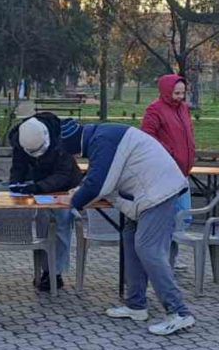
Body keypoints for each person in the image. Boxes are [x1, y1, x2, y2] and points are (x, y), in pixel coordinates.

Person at [59, 118, 194, 336]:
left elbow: (98, 185)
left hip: (158, 193)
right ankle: (136, 305)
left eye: (71, 153)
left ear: (75, 145)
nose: (74, 157)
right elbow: (99, 176)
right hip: (148, 193)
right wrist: (81, 191)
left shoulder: (102, 141)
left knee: (148, 249)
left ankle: (179, 312)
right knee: (130, 239)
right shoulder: (101, 136)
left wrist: (73, 201)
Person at [8, 113, 83, 291]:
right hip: (40, 187)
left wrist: (39, 186)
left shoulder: (63, 138)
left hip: (65, 188)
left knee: (61, 227)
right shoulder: (21, 137)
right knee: (42, 227)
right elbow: (18, 165)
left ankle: (56, 273)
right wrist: (15, 183)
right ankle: (46, 270)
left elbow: (63, 175)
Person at [141, 74, 196, 271]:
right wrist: (169, 151)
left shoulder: (184, 108)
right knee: (169, 217)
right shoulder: (154, 110)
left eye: (182, 93)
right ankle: (164, 256)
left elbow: (188, 132)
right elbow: (147, 136)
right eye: (176, 93)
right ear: (166, 91)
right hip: (166, 172)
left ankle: (172, 255)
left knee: (184, 216)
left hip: (183, 172)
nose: (180, 97)